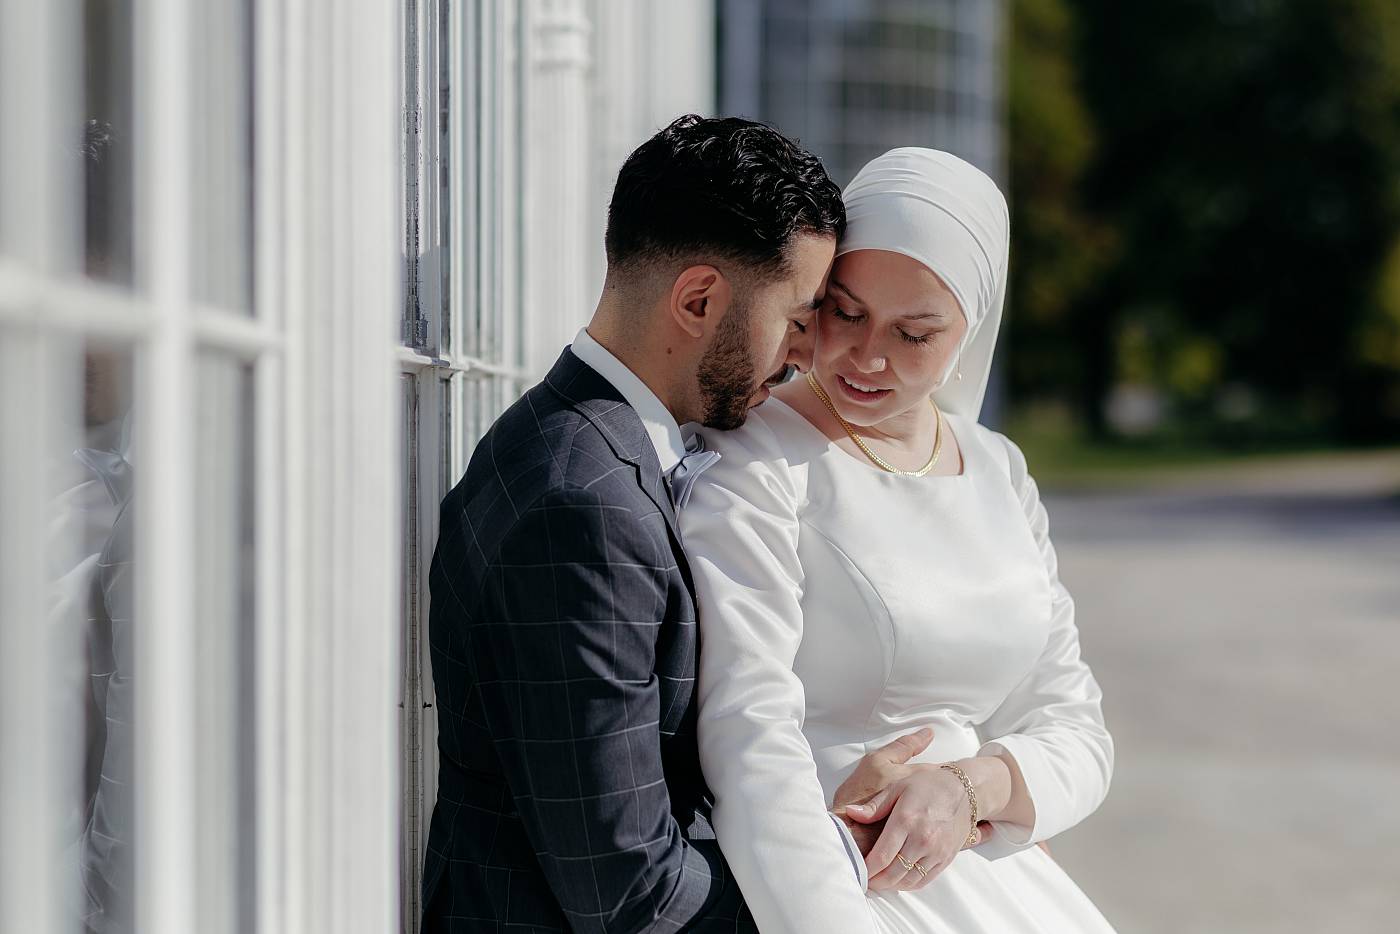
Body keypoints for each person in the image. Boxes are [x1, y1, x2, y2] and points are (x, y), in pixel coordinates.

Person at [422, 115, 910, 933]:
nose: (804, 354)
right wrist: (828, 854)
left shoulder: (572, 441)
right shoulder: (584, 506)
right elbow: (628, 893)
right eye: (797, 317)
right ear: (698, 300)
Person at [677, 148, 1118, 932]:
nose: (867, 357)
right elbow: (747, 732)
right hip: (833, 880)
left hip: (990, 878)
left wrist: (972, 787)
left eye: (915, 333)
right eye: (845, 312)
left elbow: (1077, 730)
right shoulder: (757, 460)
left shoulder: (998, 470)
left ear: (971, 330)